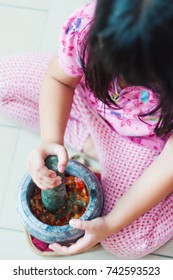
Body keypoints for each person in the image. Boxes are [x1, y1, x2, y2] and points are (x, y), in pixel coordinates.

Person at [1, 0, 173, 258]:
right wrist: (51, 140)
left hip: (144, 142)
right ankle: (91, 141)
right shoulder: (89, 23)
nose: (122, 81)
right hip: (89, 100)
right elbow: (60, 79)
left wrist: (110, 223)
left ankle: (112, 157)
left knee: (126, 241)